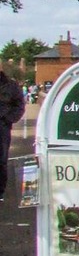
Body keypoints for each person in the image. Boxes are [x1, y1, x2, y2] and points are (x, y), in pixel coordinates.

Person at [0, 70, 26, 202]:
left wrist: (8, 118)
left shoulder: (11, 86)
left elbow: (20, 105)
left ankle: (0, 190)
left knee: (1, 160)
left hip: (2, 127)